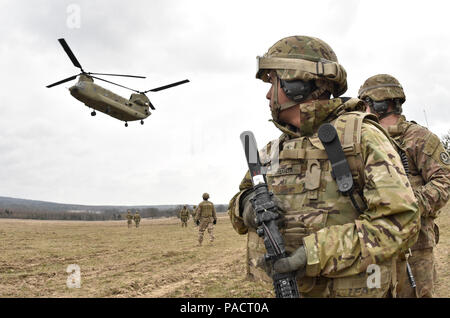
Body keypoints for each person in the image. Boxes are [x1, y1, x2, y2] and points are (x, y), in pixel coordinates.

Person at [227, 35, 420, 298]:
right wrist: (246, 205)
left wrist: (312, 254)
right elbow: (237, 208)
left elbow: (401, 222)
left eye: (273, 81)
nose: (268, 93)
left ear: (296, 83)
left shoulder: (360, 137)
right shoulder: (273, 150)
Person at [359, 74, 450, 297]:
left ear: (379, 103)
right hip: (376, 246)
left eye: (364, 104)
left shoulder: (419, 137)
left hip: (416, 245)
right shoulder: (363, 138)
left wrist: (406, 205)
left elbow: (444, 180)